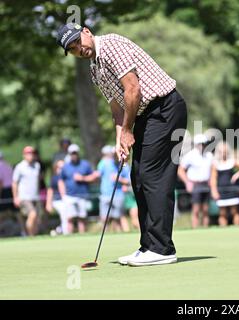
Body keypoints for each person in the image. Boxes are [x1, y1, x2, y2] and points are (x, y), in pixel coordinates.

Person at [58, 22, 187, 266]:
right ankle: (148, 246)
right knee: (138, 177)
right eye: (72, 48)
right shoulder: (95, 68)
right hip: (146, 116)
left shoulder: (111, 45)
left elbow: (133, 90)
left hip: (165, 109)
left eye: (78, 40)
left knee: (152, 175)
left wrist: (128, 130)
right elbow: (117, 107)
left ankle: (163, 248)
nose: (78, 48)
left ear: (86, 31)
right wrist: (120, 139)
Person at [58, 144, 97, 234]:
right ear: (69, 154)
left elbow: (93, 177)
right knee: (70, 218)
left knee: (82, 218)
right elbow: (61, 181)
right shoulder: (65, 166)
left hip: (82, 195)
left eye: (75, 153)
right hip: (69, 196)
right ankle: (69, 238)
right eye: (72, 153)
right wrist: (63, 195)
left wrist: (82, 178)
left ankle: (82, 236)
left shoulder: (85, 164)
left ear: (78, 153)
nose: (74, 155)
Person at [178, 134, 213, 228]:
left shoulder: (209, 155)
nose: (202, 145)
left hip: (206, 184)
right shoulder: (190, 155)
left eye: (203, 144)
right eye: (200, 144)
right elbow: (180, 170)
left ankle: (205, 229)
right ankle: (195, 229)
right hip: (195, 185)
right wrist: (187, 182)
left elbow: (212, 170)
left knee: (206, 209)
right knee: (196, 209)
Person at [96, 145, 130, 232]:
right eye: (114, 153)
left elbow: (129, 181)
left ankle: (118, 236)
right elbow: (97, 175)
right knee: (104, 218)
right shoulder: (104, 163)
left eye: (117, 153)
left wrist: (120, 179)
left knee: (118, 218)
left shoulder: (124, 165)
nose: (115, 155)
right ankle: (106, 234)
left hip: (118, 195)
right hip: (105, 194)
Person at [210, 142, 239, 227]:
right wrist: (214, 191)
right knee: (222, 213)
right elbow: (213, 179)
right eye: (221, 151)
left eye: (225, 151)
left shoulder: (232, 161)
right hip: (221, 191)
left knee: (234, 211)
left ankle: (237, 230)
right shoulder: (215, 164)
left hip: (232, 190)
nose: (223, 153)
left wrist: (238, 174)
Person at [12, 146, 41, 236]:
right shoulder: (20, 167)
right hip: (24, 197)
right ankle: (29, 235)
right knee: (33, 214)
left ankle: (33, 236)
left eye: (32, 153)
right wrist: (15, 197)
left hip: (35, 196)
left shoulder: (37, 165)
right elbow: (14, 183)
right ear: (24, 155)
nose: (30, 155)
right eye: (28, 153)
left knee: (36, 219)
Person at [46, 160, 68, 234]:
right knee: (65, 216)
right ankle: (65, 232)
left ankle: (58, 230)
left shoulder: (67, 177)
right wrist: (48, 203)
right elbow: (50, 190)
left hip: (67, 199)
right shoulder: (55, 178)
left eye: (63, 167)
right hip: (58, 200)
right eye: (59, 167)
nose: (61, 169)